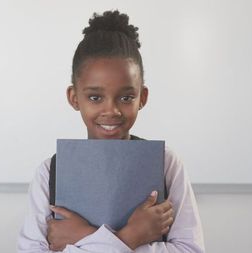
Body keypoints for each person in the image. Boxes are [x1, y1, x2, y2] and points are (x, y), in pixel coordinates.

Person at [17, 10, 205, 253]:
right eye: (95, 97)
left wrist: (84, 239)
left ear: (142, 98)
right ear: (75, 98)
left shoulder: (166, 163)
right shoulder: (50, 171)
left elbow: (191, 250)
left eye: (126, 97)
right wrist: (130, 237)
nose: (111, 110)